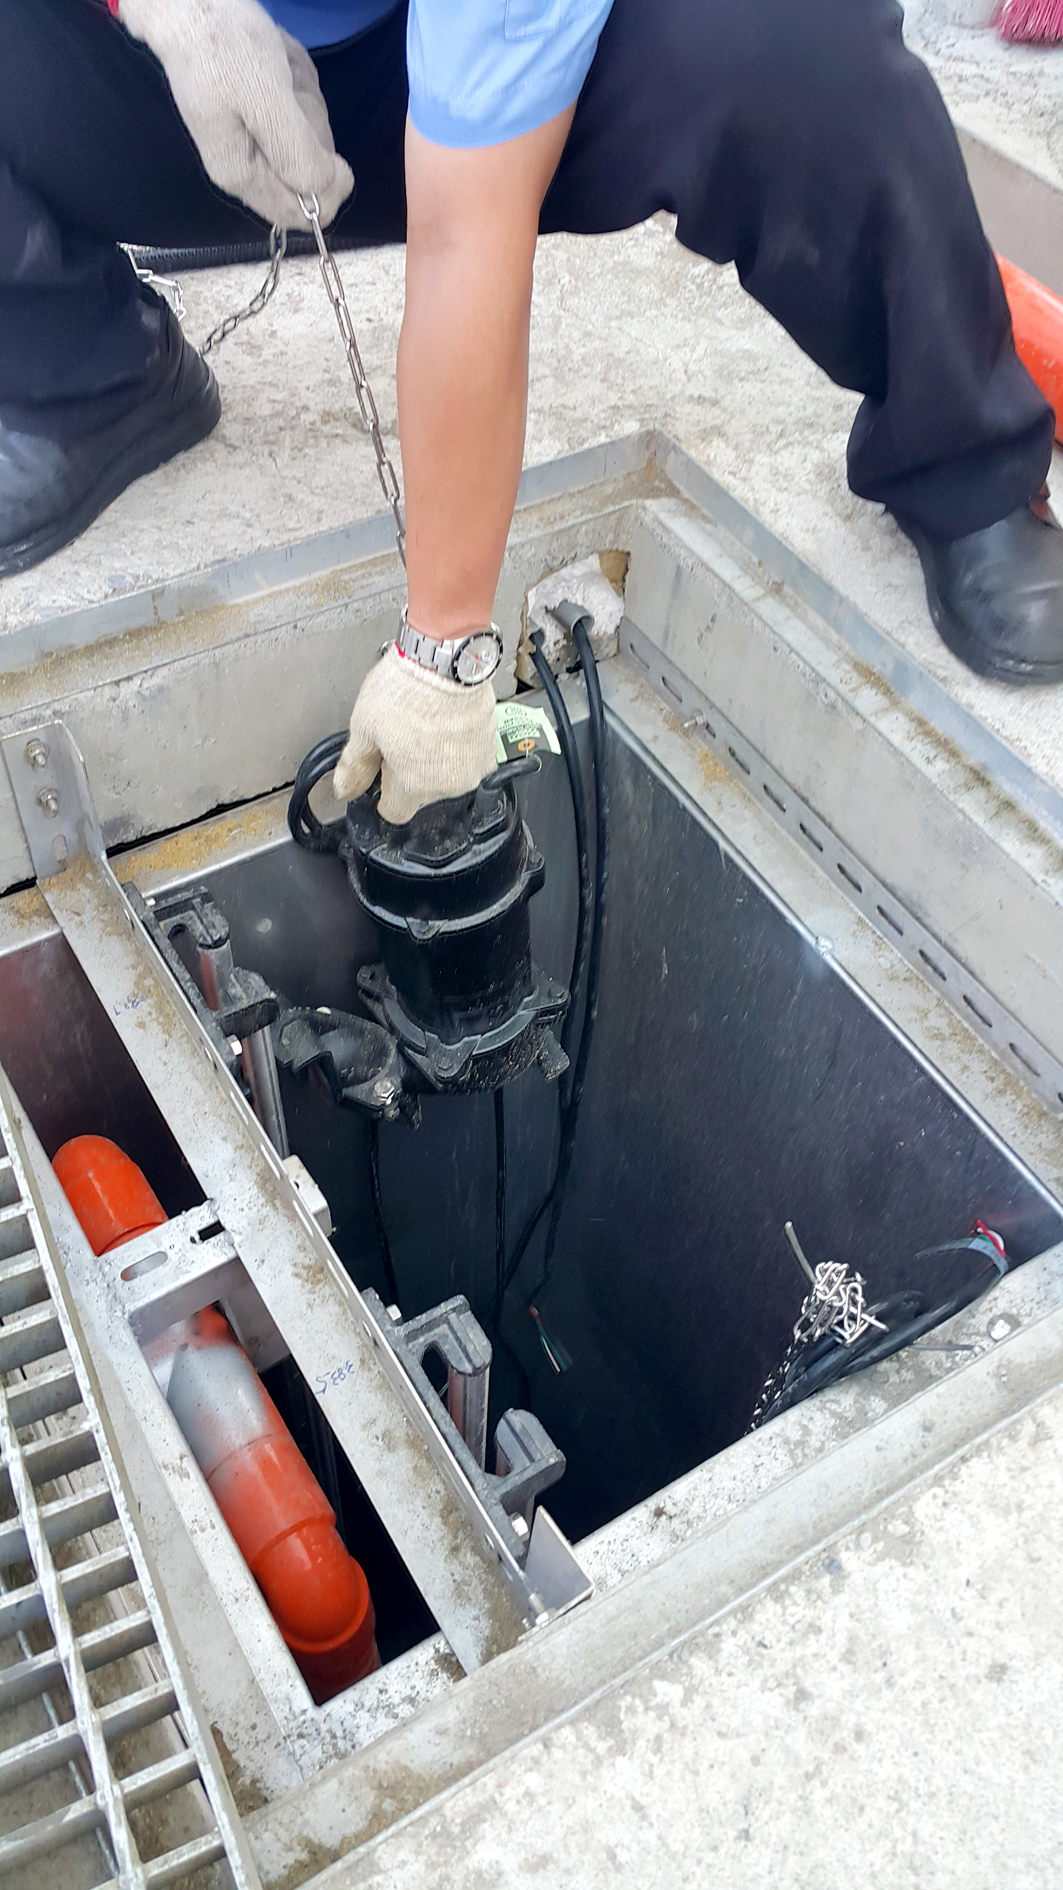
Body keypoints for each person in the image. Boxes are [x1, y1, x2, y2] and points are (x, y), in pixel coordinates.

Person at [2, 0, 1061, 828]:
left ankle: (959, 457)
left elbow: (466, 233)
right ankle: (86, 372)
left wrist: (444, 650)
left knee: (789, 41)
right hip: (185, 89)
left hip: (507, 78)